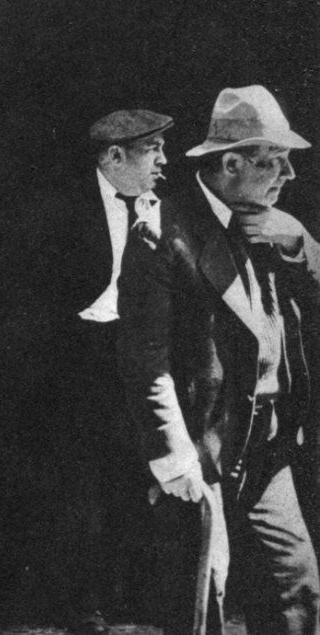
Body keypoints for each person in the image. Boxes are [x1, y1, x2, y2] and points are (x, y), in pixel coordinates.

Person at [118, 84, 320, 634]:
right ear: (231, 163)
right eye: (273, 161)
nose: (289, 176)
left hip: (267, 443)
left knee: (296, 591)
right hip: (202, 445)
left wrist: (301, 243)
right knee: (201, 600)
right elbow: (146, 360)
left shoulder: (276, 224)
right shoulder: (163, 233)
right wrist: (172, 453)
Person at [20, 109, 171, 633]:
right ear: (114, 157)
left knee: (138, 472)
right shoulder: (62, 208)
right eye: (153, 150)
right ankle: (82, 604)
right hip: (75, 357)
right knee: (79, 480)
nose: (163, 162)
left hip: (135, 353)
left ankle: (133, 597)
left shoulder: (156, 208)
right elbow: (32, 292)